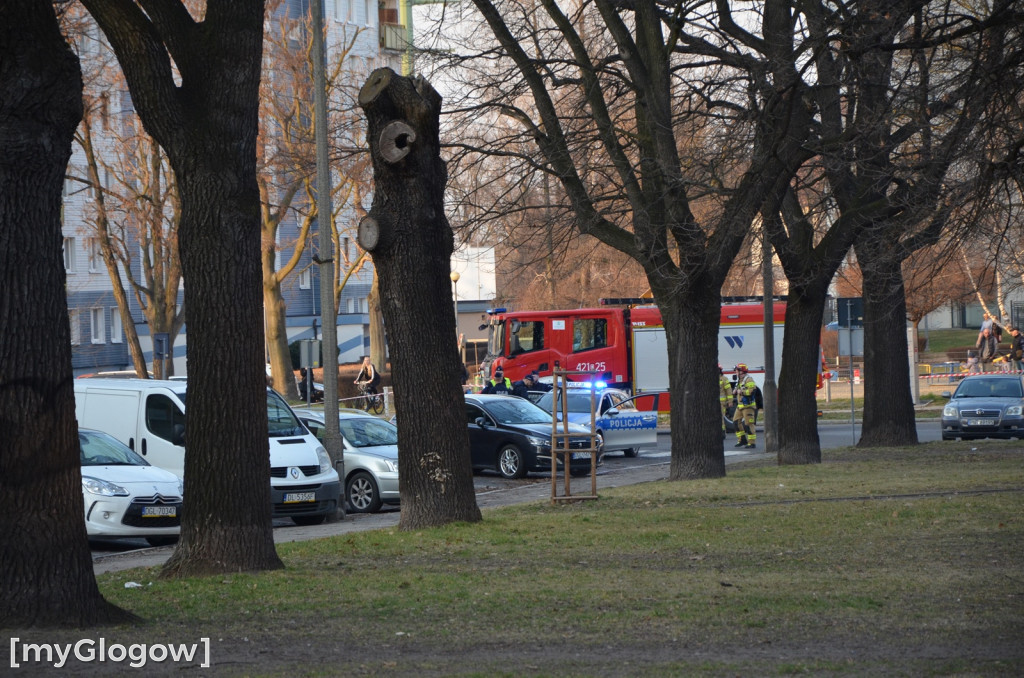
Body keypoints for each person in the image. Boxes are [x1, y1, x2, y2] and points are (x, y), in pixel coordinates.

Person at [731, 363, 757, 449]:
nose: (736, 372)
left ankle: (752, 443)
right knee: (735, 422)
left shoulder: (748, 380)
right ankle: (742, 440)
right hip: (740, 406)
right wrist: (735, 391)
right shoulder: (740, 380)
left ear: (742, 371)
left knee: (749, 424)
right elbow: (737, 390)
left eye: (737, 370)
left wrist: (741, 392)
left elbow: (752, 391)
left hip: (748, 406)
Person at [717, 364, 732, 439]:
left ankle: (722, 433)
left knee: (720, 418)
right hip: (713, 403)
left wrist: (730, 401)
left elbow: (729, 391)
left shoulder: (724, 379)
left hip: (721, 403)